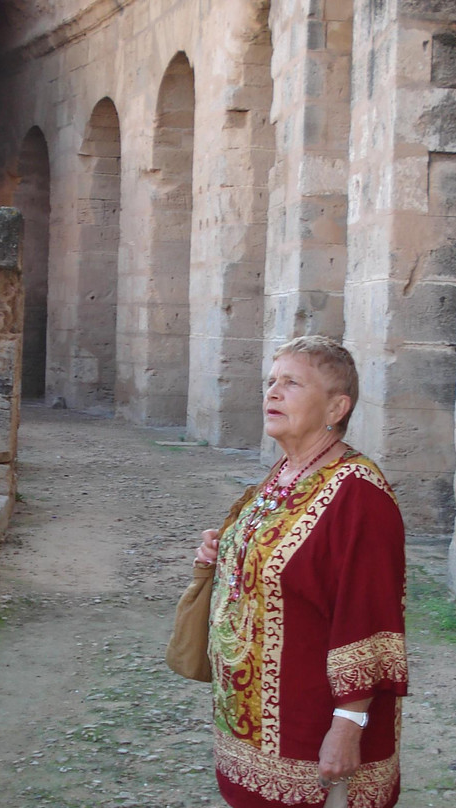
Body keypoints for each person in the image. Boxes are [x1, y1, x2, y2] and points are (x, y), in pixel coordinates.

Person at [193, 335, 408, 808]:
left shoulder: (359, 494)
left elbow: (371, 622)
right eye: (271, 381)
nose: (272, 392)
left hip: (311, 732)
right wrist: (226, 548)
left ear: (336, 407)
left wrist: (348, 726)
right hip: (249, 725)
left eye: (292, 383)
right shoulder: (286, 471)